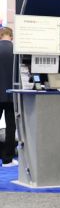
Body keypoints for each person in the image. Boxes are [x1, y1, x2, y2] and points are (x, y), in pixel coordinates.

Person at [0, 26, 15, 165]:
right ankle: (7, 159)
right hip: (12, 95)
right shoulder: (16, 50)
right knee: (11, 126)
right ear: (11, 36)